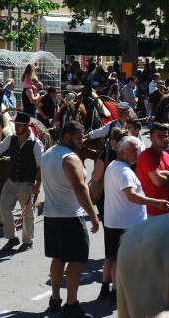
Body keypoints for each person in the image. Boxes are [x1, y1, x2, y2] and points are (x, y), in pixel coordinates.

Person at [40, 121, 99, 318]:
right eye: (78, 137)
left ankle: (55, 299)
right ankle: (71, 305)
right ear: (66, 137)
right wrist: (93, 215)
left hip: (51, 215)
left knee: (58, 258)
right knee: (76, 261)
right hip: (71, 216)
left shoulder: (48, 154)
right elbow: (80, 189)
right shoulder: (70, 157)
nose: (82, 141)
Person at [102, 136, 169, 304]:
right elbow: (132, 196)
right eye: (133, 150)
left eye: (138, 150)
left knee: (111, 257)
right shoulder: (125, 172)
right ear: (122, 151)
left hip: (113, 221)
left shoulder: (112, 165)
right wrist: (157, 202)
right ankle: (116, 292)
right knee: (121, 259)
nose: (137, 153)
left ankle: (105, 288)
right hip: (126, 224)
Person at [0, 113, 43, 252]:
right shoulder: (11, 139)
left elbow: (40, 166)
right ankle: (12, 238)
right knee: (4, 208)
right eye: (16, 125)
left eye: (19, 125)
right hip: (11, 180)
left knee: (27, 213)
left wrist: (38, 184)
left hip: (27, 183)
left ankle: (27, 241)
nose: (16, 127)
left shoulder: (36, 143)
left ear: (26, 127)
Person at [89, 127, 129, 301]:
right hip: (121, 208)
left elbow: (95, 176)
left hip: (108, 206)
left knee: (111, 251)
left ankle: (106, 288)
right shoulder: (126, 157)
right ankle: (114, 291)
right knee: (118, 253)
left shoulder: (105, 155)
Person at [136, 123, 169, 217]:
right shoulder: (146, 155)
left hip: (167, 208)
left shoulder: (168, 156)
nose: (164, 139)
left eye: (166, 136)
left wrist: (165, 173)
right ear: (151, 138)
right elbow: (159, 181)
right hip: (151, 211)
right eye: (160, 136)